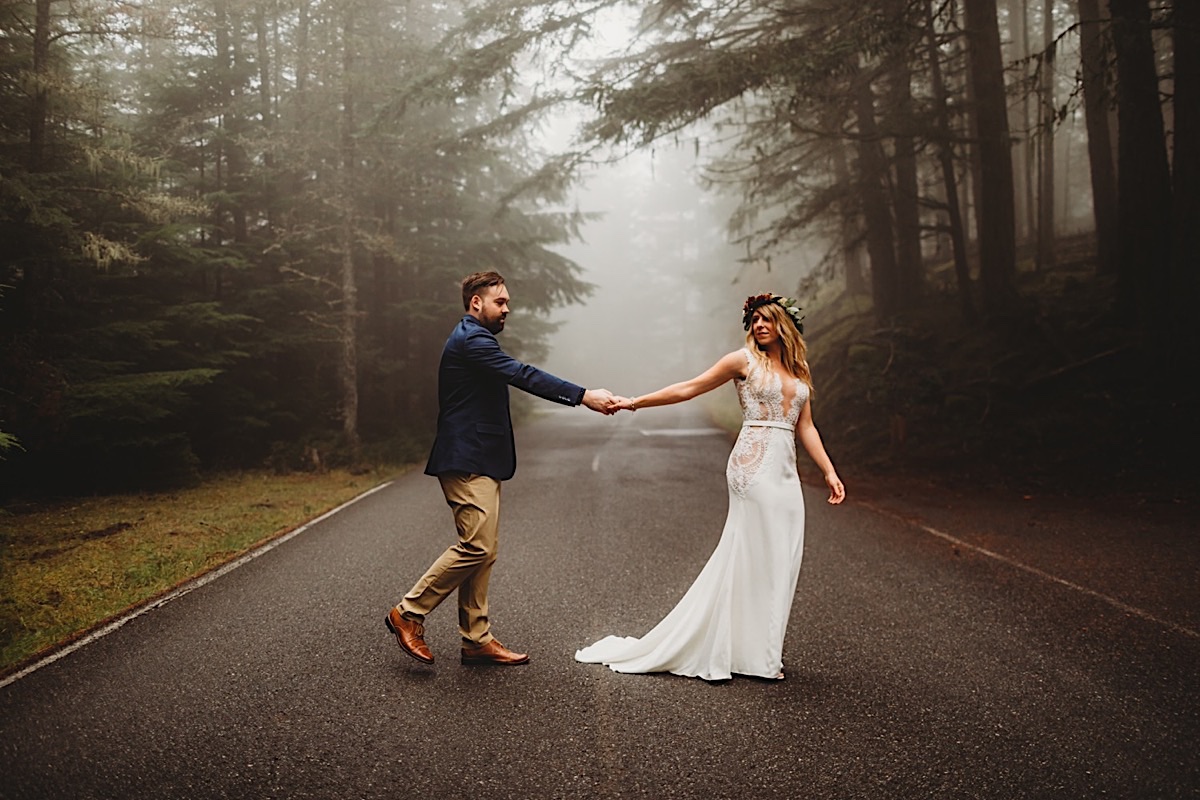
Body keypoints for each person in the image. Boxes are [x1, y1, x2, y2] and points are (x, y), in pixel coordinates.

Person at [575, 293, 845, 681]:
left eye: (767, 319)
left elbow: (806, 427)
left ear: (785, 324)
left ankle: (759, 651)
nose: (759, 325)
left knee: (781, 557)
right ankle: (750, 656)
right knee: (755, 551)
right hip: (752, 467)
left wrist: (829, 471)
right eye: (754, 320)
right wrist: (634, 403)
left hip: (786, 473)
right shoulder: (743, 361)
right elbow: (689, 388)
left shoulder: (800, 371)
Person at [386, 271, 618, 667]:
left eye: (507, 301)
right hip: (466, 458)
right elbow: (522, 374)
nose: (507, 308)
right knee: (475, 546)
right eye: (500, 302)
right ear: (476, 303)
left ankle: (476, 639)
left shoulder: (474, 338)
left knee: (484, 550)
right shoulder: (472, 340)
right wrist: (583, 396)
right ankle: (408, 613)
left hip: (480, 458)